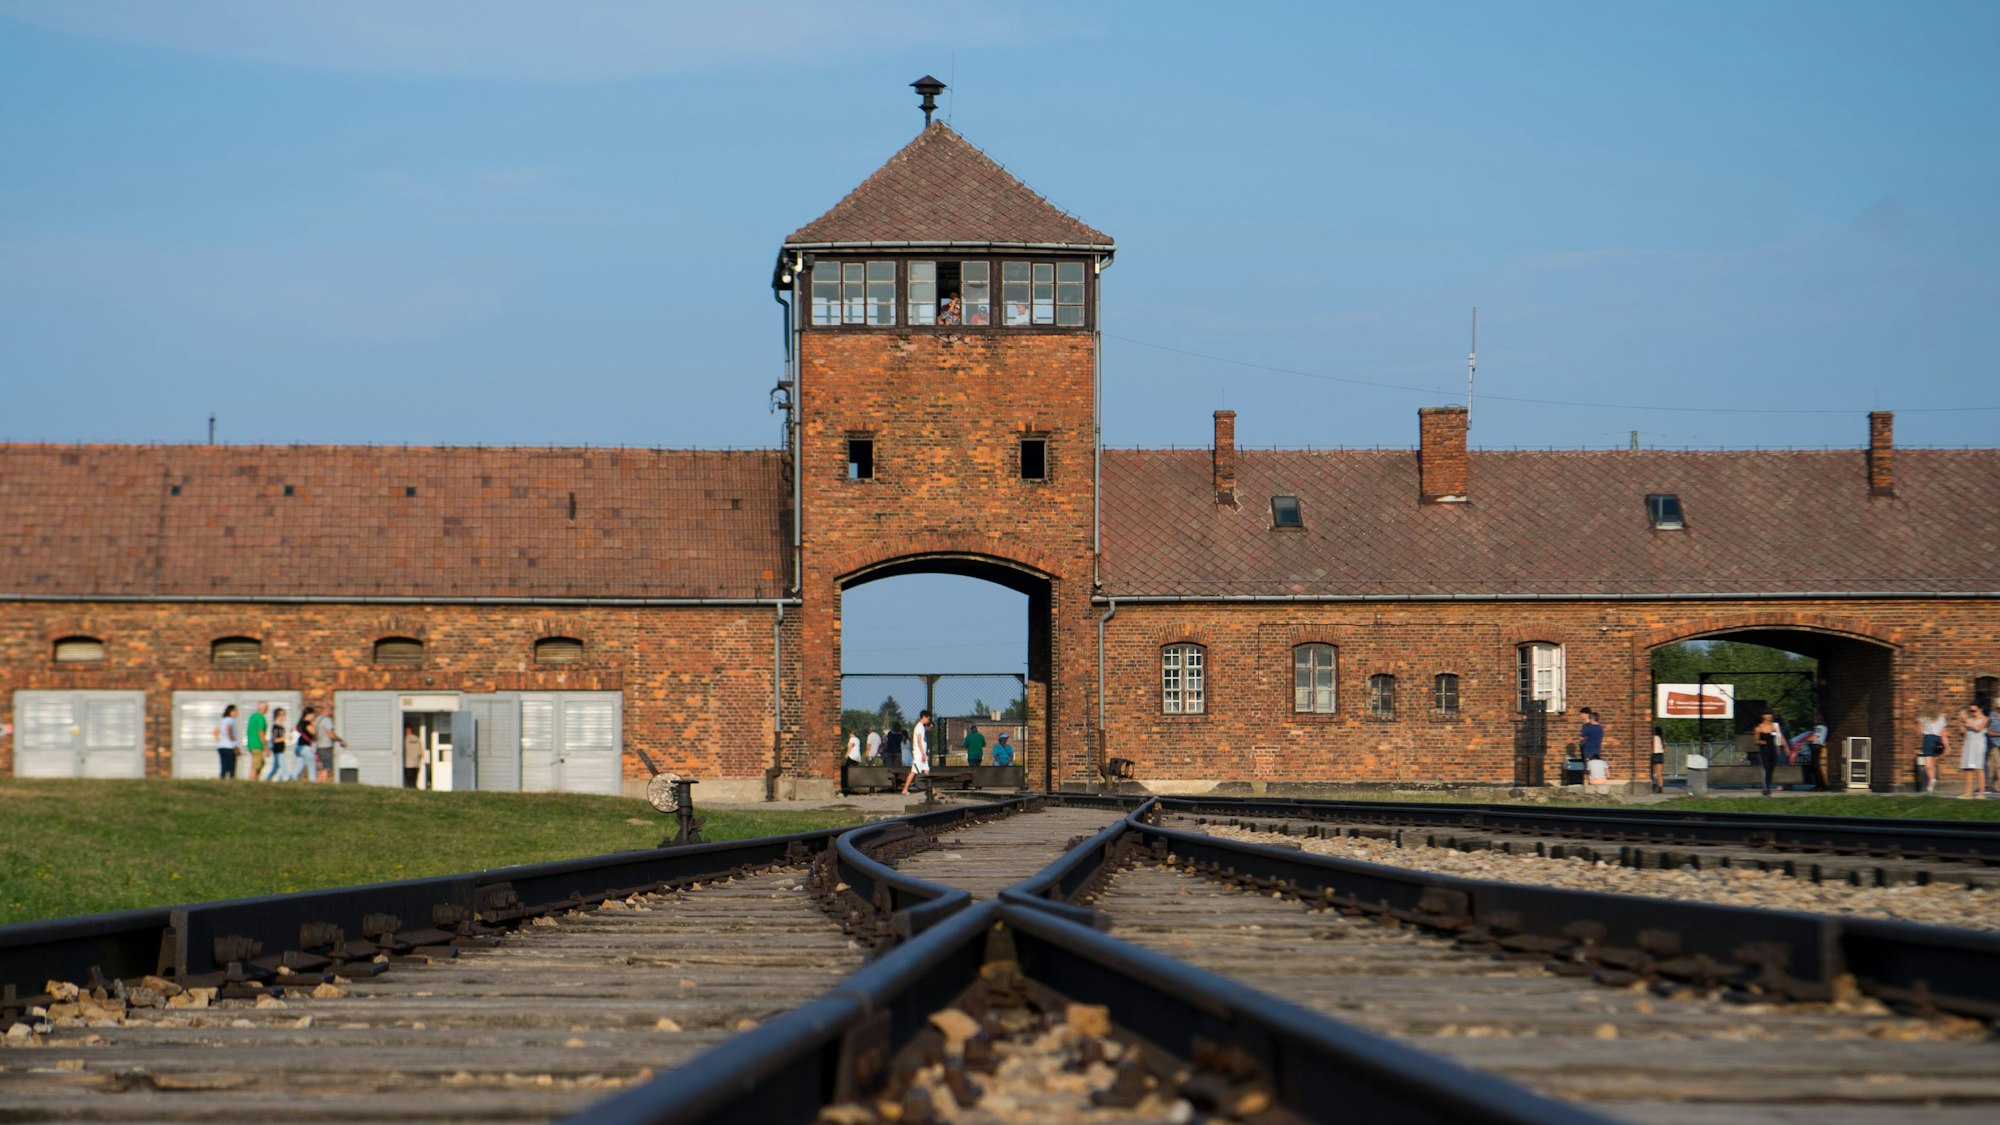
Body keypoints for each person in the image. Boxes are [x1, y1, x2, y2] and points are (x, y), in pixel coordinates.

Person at [1959, 705, 1989, 800]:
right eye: (1970, 711)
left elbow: (1979, 728)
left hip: (1979, 745)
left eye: (1974, 710)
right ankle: (1967, 793)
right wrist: (1962, 723)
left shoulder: (1985, 719)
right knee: (1968, 769)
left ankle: (1982, 793)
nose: (1972, 712)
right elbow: (1963, 733)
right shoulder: (1969, 719)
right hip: (1969, 744)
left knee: (1979, 768)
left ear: (1981, 709)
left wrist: (1968, 721)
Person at [899, 710, 931, 796]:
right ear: (924, 717)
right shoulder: (919, 727)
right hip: (919, 753)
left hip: (921, 753)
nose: (928, 721)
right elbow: (919, 741)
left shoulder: (921, 727)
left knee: (926, 770)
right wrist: (923, 753)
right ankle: (905, 789)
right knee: (914, 771)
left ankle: (929, 789)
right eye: (928, 719)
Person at [314, 705, 347, 783]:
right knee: (327, 768)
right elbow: (331, 734)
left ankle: (319, 784)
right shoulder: (327, 720)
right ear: (327, 710)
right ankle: (324, 784)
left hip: (318, 747)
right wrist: (340, 740)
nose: (332, 712)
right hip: (326, 747)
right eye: (331, 709)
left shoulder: (317, 719)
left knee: (321, 768)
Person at [1754, 710, 1782, 796]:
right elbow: (1755, 741)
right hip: (1764, 752)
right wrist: (1761, 742)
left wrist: (1778, 748)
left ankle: (1768, 785)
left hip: (1773, 751)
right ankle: (1766, 789)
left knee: (1771, 770)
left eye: (1770, 714)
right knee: (1766, 770)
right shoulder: (1758, 728)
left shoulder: (1775, 726)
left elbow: (1778, 738)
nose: (1769, 716)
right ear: (1763, 716)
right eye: (1767, 714)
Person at [1920, 708, 1948, 792]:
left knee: (1928, 764)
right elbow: (1944, 733)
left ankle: (1932, 780)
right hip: (1936, 739)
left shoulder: (1924, 717)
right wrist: (1946, 746)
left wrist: (1947, 746)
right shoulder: (1940, 718)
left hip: (1929, 739)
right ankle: (1931, 784)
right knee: (1931, 764)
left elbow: (1920, 731)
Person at [1800, 716, 1829, 791]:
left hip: (1815, 746)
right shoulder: (1825, 727)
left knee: (1815, 767)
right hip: (1819, 746)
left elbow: (1814, 737)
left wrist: (1806, 739)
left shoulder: (1819, 727)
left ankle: (1820, 786)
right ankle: (1821, 785)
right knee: (1816, 767)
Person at [268, 707, 295, 782]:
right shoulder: (276, 727)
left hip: (281, 749)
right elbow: (275, 740)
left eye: (284, 715)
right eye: (281, 715)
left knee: (276, 767)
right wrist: (285, 737)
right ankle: (285, 780)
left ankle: (268, 779)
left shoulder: (281, 726)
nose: (283, 717)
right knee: (284, 767)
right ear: (277, 715)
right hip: (278, 750)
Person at [245, 702, 270, 781]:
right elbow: (261, 732)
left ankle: (256, 779)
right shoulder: (260, 717)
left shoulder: (253, 716)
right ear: (264, 708)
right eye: (267, 707)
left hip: (251, 743)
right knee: (255, 765)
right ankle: (252, 781)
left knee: (261, 763)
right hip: (257, 744)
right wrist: (265, 746)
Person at [214, 704, 239, 779]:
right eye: (235, 711)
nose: (237, 713)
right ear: (231, 712)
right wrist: (232, 741)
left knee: (224, 768)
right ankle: (231, 784)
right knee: (231, 768)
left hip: (221, 746)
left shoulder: (223, 720)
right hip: (229, 747)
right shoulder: (231, 720)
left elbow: (215, 731)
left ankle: (222, 781)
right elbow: (228, 729)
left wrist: (219, 740)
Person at [1650, 726, 1666, 794]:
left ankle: (1654, 786)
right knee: (1659, 774)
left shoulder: (1652, 738)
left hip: (1654, 754)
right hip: (1660, 755)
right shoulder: (1662, 739)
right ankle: (1660, 788)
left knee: (1652, 773)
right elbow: (1666, 750)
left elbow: (1651, 748)